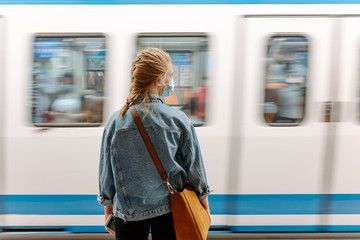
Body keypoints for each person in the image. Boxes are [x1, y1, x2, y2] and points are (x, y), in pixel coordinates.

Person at [97, 48, 212, 240]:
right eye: (170, 75)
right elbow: (194, 169)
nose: (171, 81)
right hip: (171, 211)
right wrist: (203, 204)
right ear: (158, 80)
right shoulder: (179, 120)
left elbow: (106, 171)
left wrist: (108, 207)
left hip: (127, 213)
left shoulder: (116, 121)